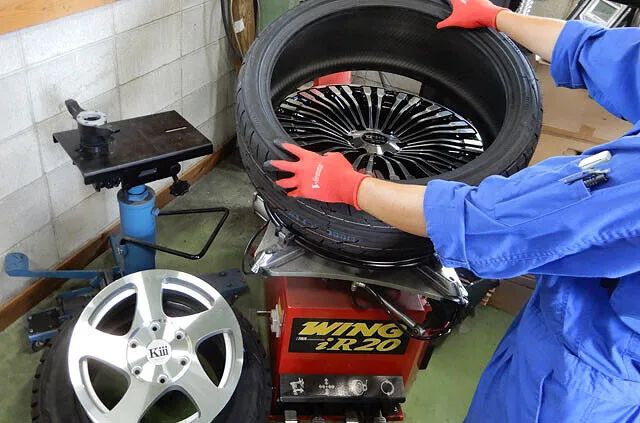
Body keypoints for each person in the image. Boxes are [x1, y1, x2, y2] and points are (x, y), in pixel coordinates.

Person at [265, 0, 640, 421]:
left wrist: (353, 187)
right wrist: (497, 17)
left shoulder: (631, 186)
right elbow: (607, 53)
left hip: (593, 372)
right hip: (574, 330)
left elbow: (490, 224)